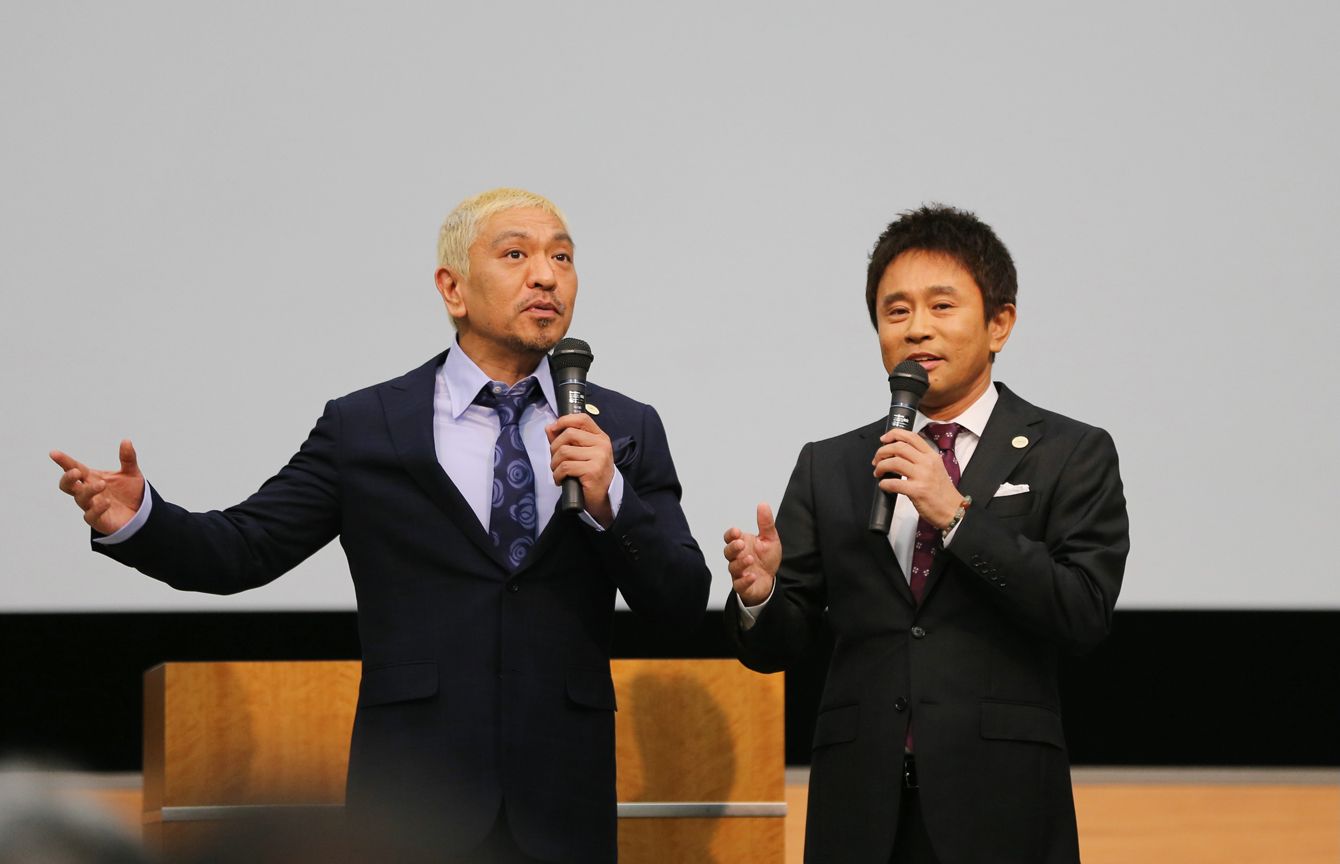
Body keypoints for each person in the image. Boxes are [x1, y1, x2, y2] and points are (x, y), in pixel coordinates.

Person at [51, 187, 712, 864]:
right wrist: (141, 520)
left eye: (562, 257)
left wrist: (611, 500)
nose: (546, 276)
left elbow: (682, 599)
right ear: (452, 288)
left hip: (564, 803)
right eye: (516, 254)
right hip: (409, 805)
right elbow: (244, 549)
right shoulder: (366, 426)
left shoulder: (623, 427)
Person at [722, 205, 1129, 864]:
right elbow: (778, 648)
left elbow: (1083, 612)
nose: (917, 328)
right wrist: (761, 595)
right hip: (860, 810)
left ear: (999, 323)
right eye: (896, 311)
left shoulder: (1069, 452)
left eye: (942, 306)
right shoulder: (831, 464)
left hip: (1003, 804)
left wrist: (958, 517)